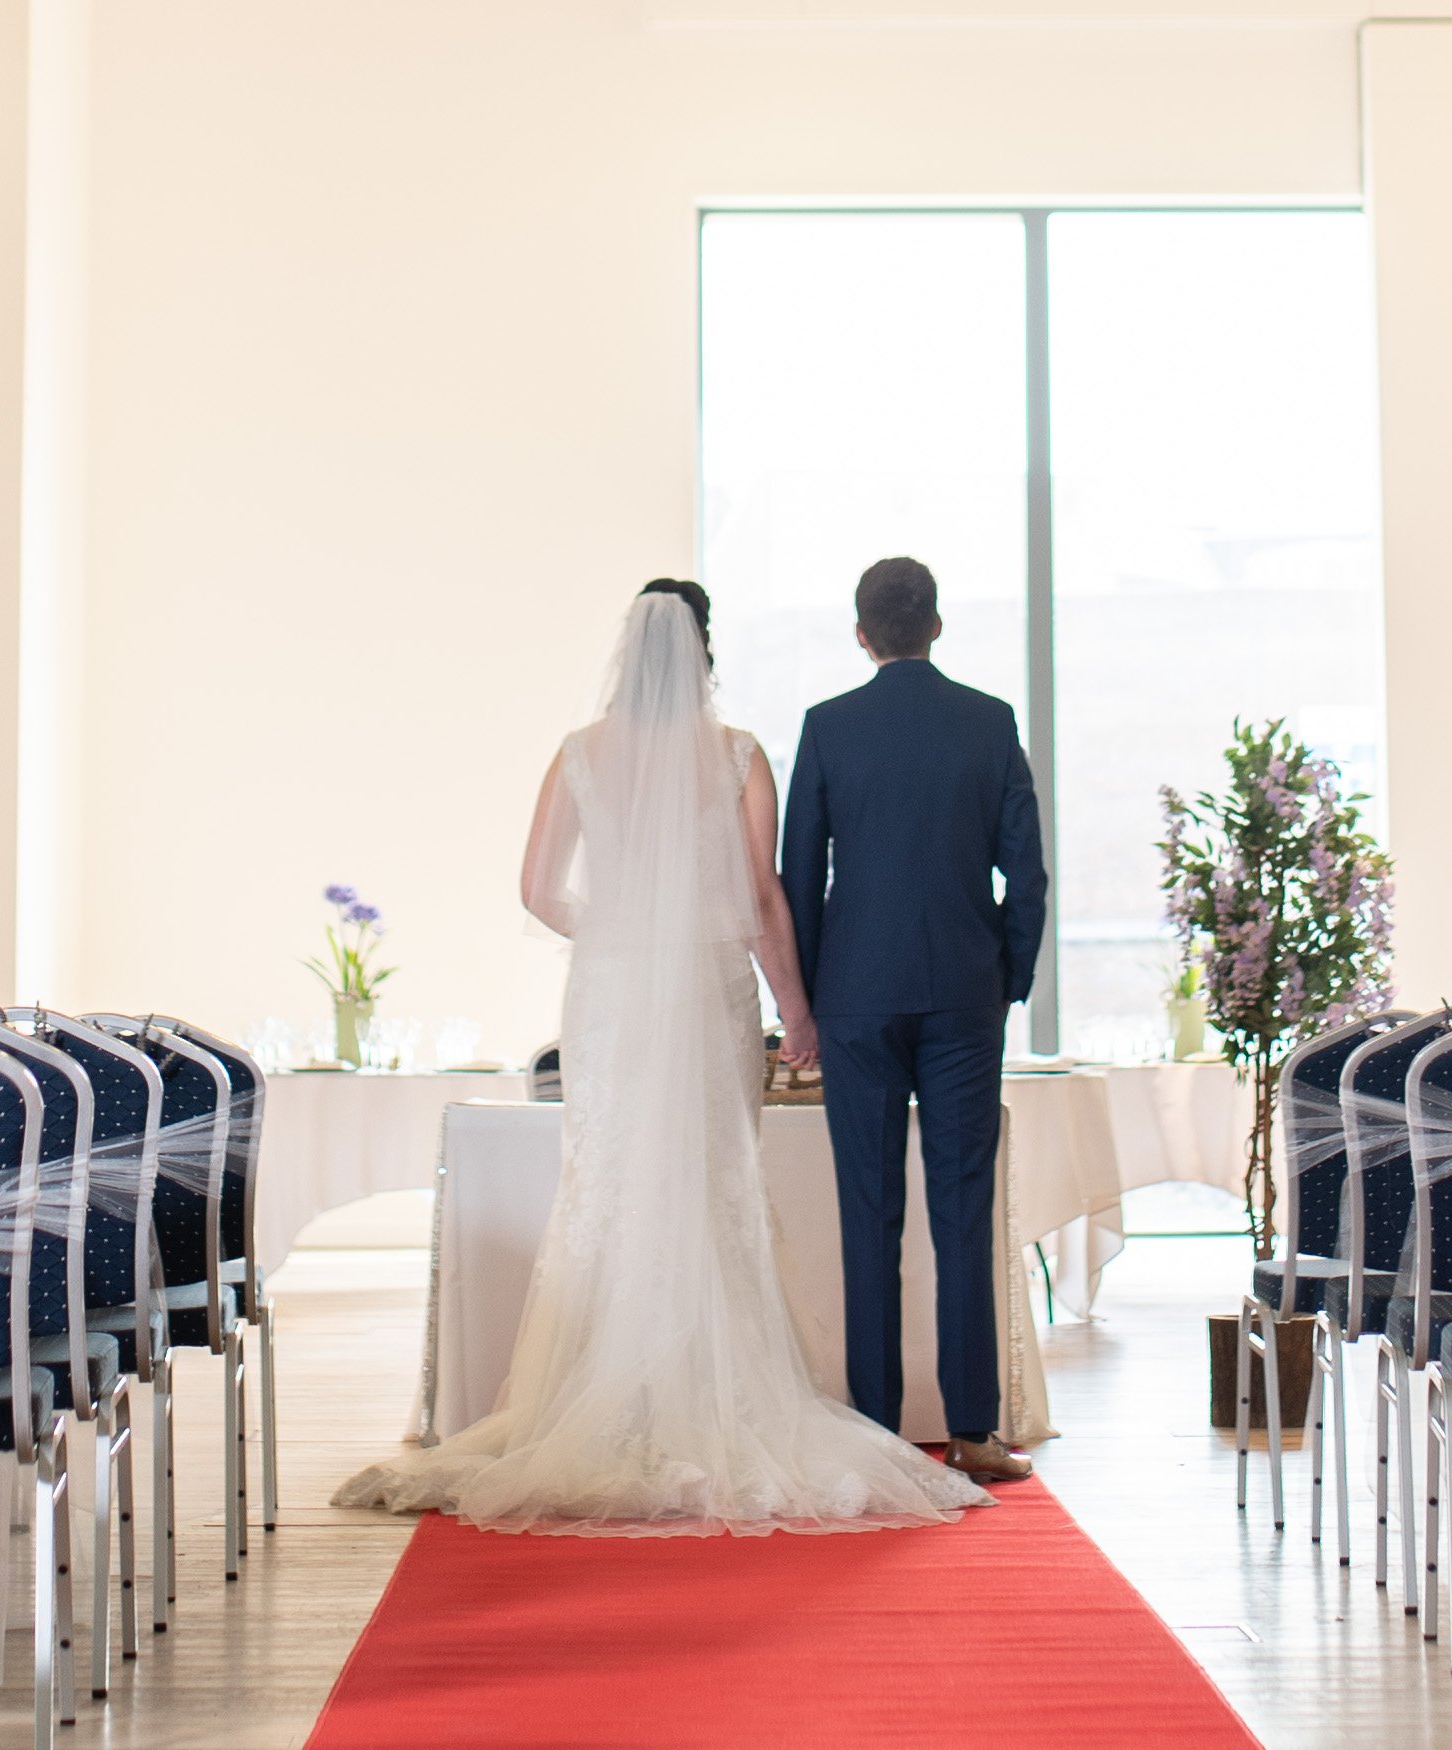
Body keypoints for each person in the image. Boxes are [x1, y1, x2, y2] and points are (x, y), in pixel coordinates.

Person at [332, 583, 985, 1535]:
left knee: (616, 1184)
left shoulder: (578, 754)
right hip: (712, 987)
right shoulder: (736, 755)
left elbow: (535, 890)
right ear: (704, 653)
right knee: (712, 1181)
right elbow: (765, 899)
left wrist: (619, 939)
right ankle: (713, 1399)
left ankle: (618, 1403)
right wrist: (797, 1009)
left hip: (610, 997)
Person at [778, 556, 1048, 1484]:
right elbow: (1028, 871)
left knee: (869, 1210)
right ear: (937, 625)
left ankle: (878, 1434)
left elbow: (797, 880)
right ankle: (972, 1432)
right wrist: (1006, 977)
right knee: (963, 1206)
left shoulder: (826, 727)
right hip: (964, 995)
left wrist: (805, 1002)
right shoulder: (988, 721)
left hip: (855, 996)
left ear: (863, 634)